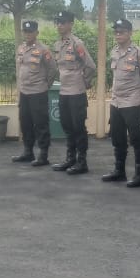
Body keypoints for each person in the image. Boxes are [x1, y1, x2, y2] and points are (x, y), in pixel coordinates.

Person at [101, 19, 140, 188]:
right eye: (116, 32)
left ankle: (139, 174)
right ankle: (119, 171)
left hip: (132, 101)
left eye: (122, 32)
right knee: (117, 137)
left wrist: (134, 90)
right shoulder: (114, 52)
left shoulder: (139, 53)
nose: (118, 35)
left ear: (130, 33)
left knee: (136, 138)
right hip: (116, 101)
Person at [51, 11, 97, 174]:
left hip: (76, 92)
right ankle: (70, 159)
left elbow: (90, 66)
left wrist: (84, 82)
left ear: (71, 24)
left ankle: (82, 162)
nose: (59, 25)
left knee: (78, 127)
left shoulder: (77, 44)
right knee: (67, 126)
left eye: (63, 22)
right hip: (64, 92)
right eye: (58, 22)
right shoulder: (58, 45)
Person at [12, 20, 58, 166]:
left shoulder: (43, 50)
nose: (27, 34)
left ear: (36, 33)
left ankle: (43, 155)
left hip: (38, 92)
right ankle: (28, 152)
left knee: (40, 124)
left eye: (30, 32)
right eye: (25, 32)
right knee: (25, 122)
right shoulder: (21, 48)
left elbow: (53, 69)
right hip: (24, 92)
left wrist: (46, 85)